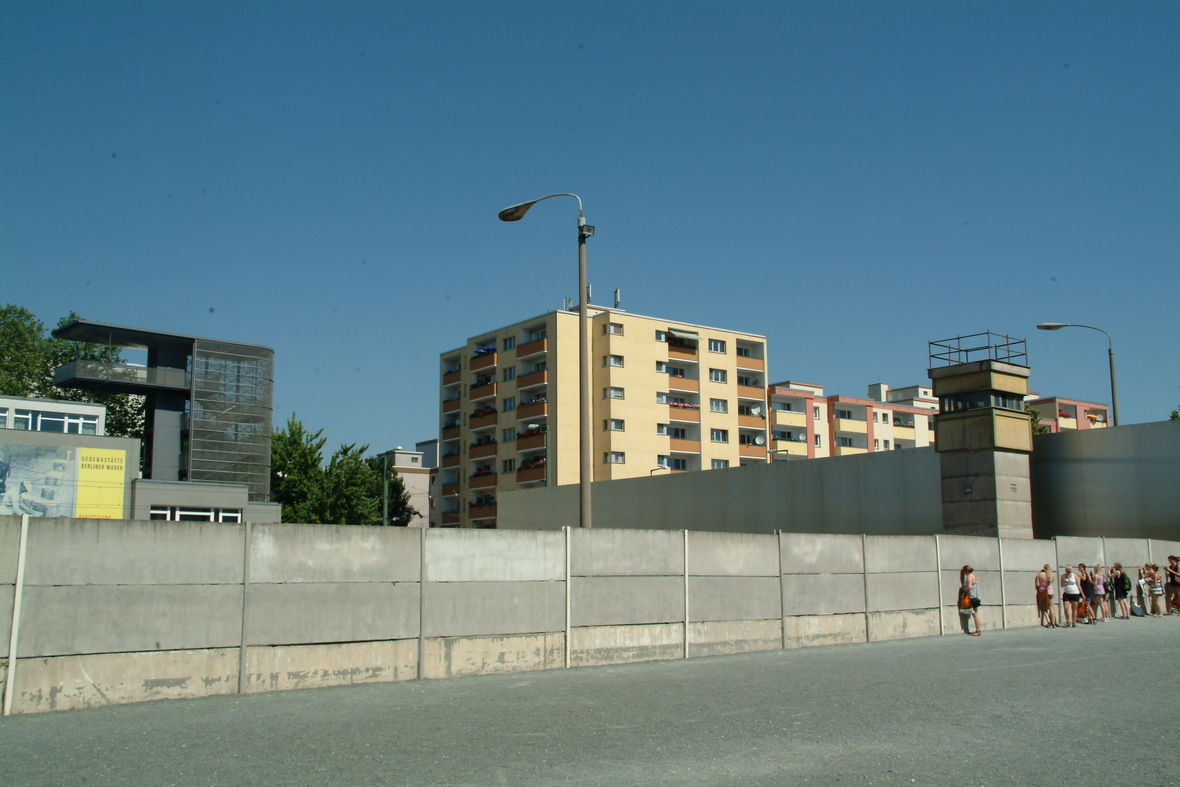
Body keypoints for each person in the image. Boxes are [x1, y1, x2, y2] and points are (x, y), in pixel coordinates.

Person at [960, 565, 982, 636]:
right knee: (976, 614)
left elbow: (969, 587)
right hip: (977, 596)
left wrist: (964, 589)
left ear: (966, 571)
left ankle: (978, 631)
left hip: (972, 597)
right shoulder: (974, 576)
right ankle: (978, 630)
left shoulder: (969, 577)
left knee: (975, 614)